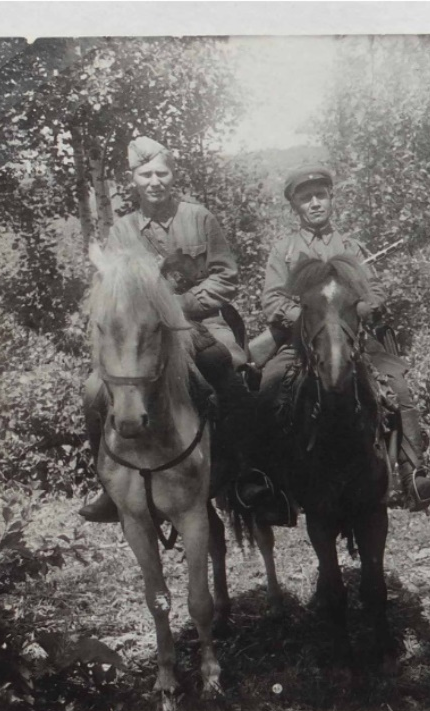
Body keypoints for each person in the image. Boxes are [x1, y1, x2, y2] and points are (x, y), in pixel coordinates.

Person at [79, 136, 273, 523]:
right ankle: (108, 482)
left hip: (201, 323)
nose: (155, 181)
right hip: (142, 334)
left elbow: (226, 276)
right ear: (133, 179)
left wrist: (178, 307)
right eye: (145, 174)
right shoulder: (122, 231)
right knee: (91, 390)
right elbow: (114, 290)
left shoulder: (199, 218)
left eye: (162, 173)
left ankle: (246, 472)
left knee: (230, 369)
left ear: (173, 175)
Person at [257, 164, 430, 511]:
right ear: (294, 206)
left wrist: (360, 307)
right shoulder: (283, 251)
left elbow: (374, 289)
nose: (314, 203)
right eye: (306, 198)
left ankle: (412, 477)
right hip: (302, 340)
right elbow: (272, 298)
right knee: (270, 384)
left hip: (352, 339)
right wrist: (302, 315)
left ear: (331, 199)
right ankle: (275, 487)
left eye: (320, 196)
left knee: (398, 385)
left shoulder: (352, 247)